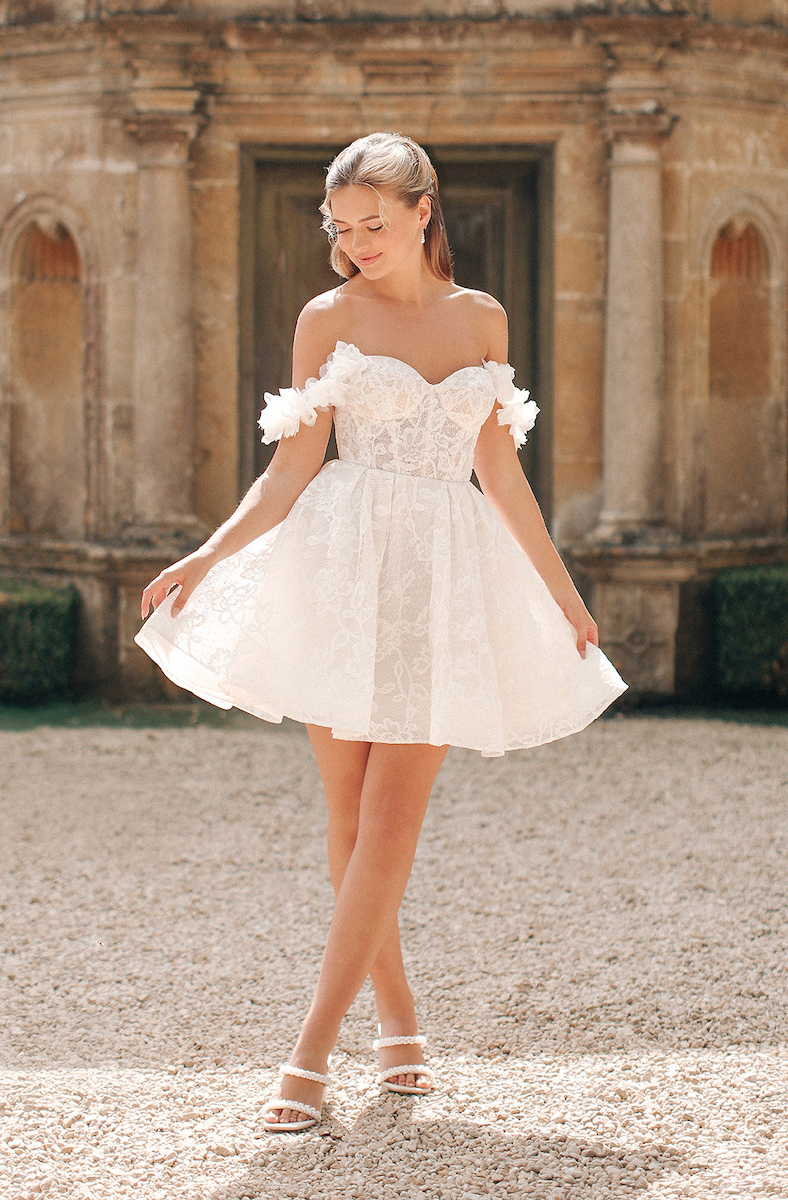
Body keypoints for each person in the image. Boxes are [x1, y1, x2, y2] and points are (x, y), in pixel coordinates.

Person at [135, 132, 626, 1133]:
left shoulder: (481, 319)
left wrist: (561, 595)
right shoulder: (326, 319)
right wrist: (204, 556)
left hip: (442, 577)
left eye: (374, 222)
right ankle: (398, 1025)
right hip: (338, 567)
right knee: (352, 820)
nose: (357, 242)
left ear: (420, 211)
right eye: (342, 227)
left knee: (394, 822)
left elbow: (499, 472)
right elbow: (288, 471)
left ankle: (306, 1060)